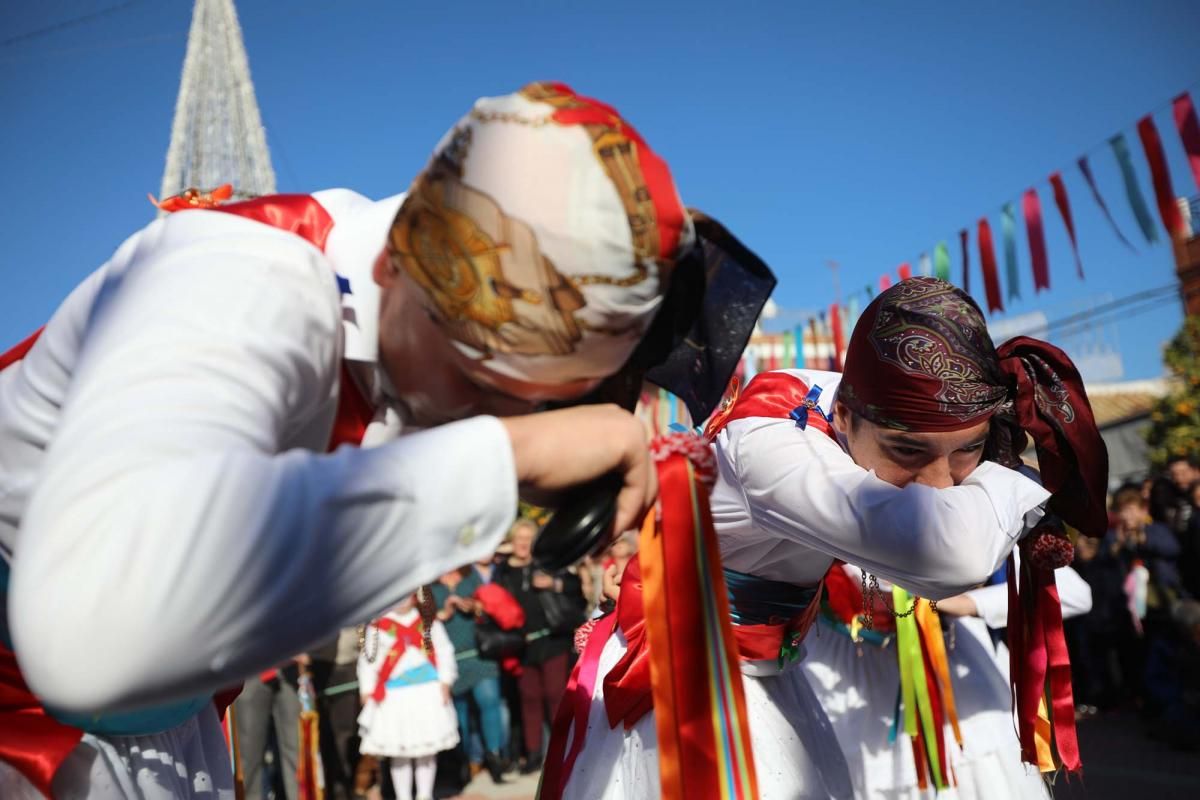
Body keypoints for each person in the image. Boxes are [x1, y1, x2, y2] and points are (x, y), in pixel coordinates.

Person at [0, 82, 685, 799]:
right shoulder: (246, 276)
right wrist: (513, 457)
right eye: (479, 385)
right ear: (399, 264)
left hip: (164, 738)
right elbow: (88, 641)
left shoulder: (400, 347)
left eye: (537, 407)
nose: (487, 419)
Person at [551, 277, 1108, 799]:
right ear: (843, 415)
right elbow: (949, 553)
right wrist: (1008, 474)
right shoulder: (769, 442)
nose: (941, 486)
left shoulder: (852, 406)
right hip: (687, 679)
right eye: (909, 451)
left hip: (767, 671)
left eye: (967, 448)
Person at [803, 558, 1093, 800]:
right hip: (847, 682)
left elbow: (1074, 592)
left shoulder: (963, 511)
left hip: (954, 679)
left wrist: (965, 603)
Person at [496, 518, 585, 773]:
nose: (523, 544)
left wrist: (553, 583)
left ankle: (563, 751)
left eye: (528, 539)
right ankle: (534, 754)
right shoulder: (503, 571)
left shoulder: (547, 563)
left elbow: (574, 587)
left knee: (554, 697)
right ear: (511, 543)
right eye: (519, 538)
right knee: (529, 699)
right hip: (522, 645)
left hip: (553, 639)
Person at [357, 592, 458, 800]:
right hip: (394, 696)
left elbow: (444, 650)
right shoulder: (378, 626)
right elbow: (368, 660)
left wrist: (445, 681)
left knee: (426, 749)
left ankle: (424, 794)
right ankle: (403, 796)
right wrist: (366, 690)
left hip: (427, 692)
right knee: (399, 751)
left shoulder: (428, 622)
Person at [431, 566, 510, 783]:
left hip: (479, 653)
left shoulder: (470, 575)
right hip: (449, 660)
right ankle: (464, 762)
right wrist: (443, 613)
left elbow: (489, 607)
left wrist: (474, 606)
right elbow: (422, 622)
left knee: (490, 703)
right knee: (460, 714)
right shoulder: (429, 584)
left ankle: (494, 758)